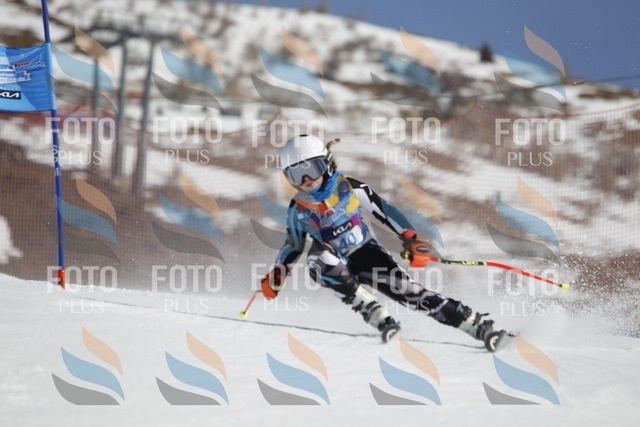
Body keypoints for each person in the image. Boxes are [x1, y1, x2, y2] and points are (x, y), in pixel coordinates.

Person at [260, 134, 504, 345]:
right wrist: (279, 272)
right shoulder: (298, 208)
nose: (306, 180)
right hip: (332, 261)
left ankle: (477, 326)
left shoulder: (349, 188)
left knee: (412, 293)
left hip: (366, 254)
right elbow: (294, 245)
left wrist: (410, 239)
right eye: (296, 174)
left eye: (311, 169)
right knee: (318, 258)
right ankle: (373, 312)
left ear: (326, 163)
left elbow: (386, 211)